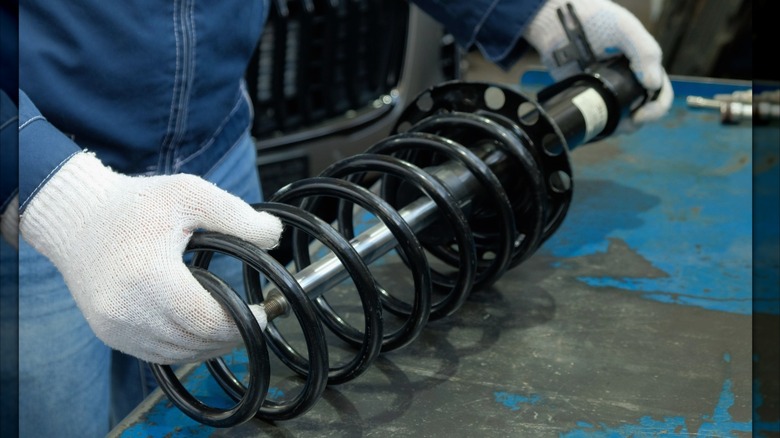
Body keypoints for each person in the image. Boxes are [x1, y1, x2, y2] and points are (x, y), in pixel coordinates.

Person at [0, 0, 673, 436]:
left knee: (216, 405)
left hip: (217, 155)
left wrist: (525, 9)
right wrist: (55, 193)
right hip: (39, 196)